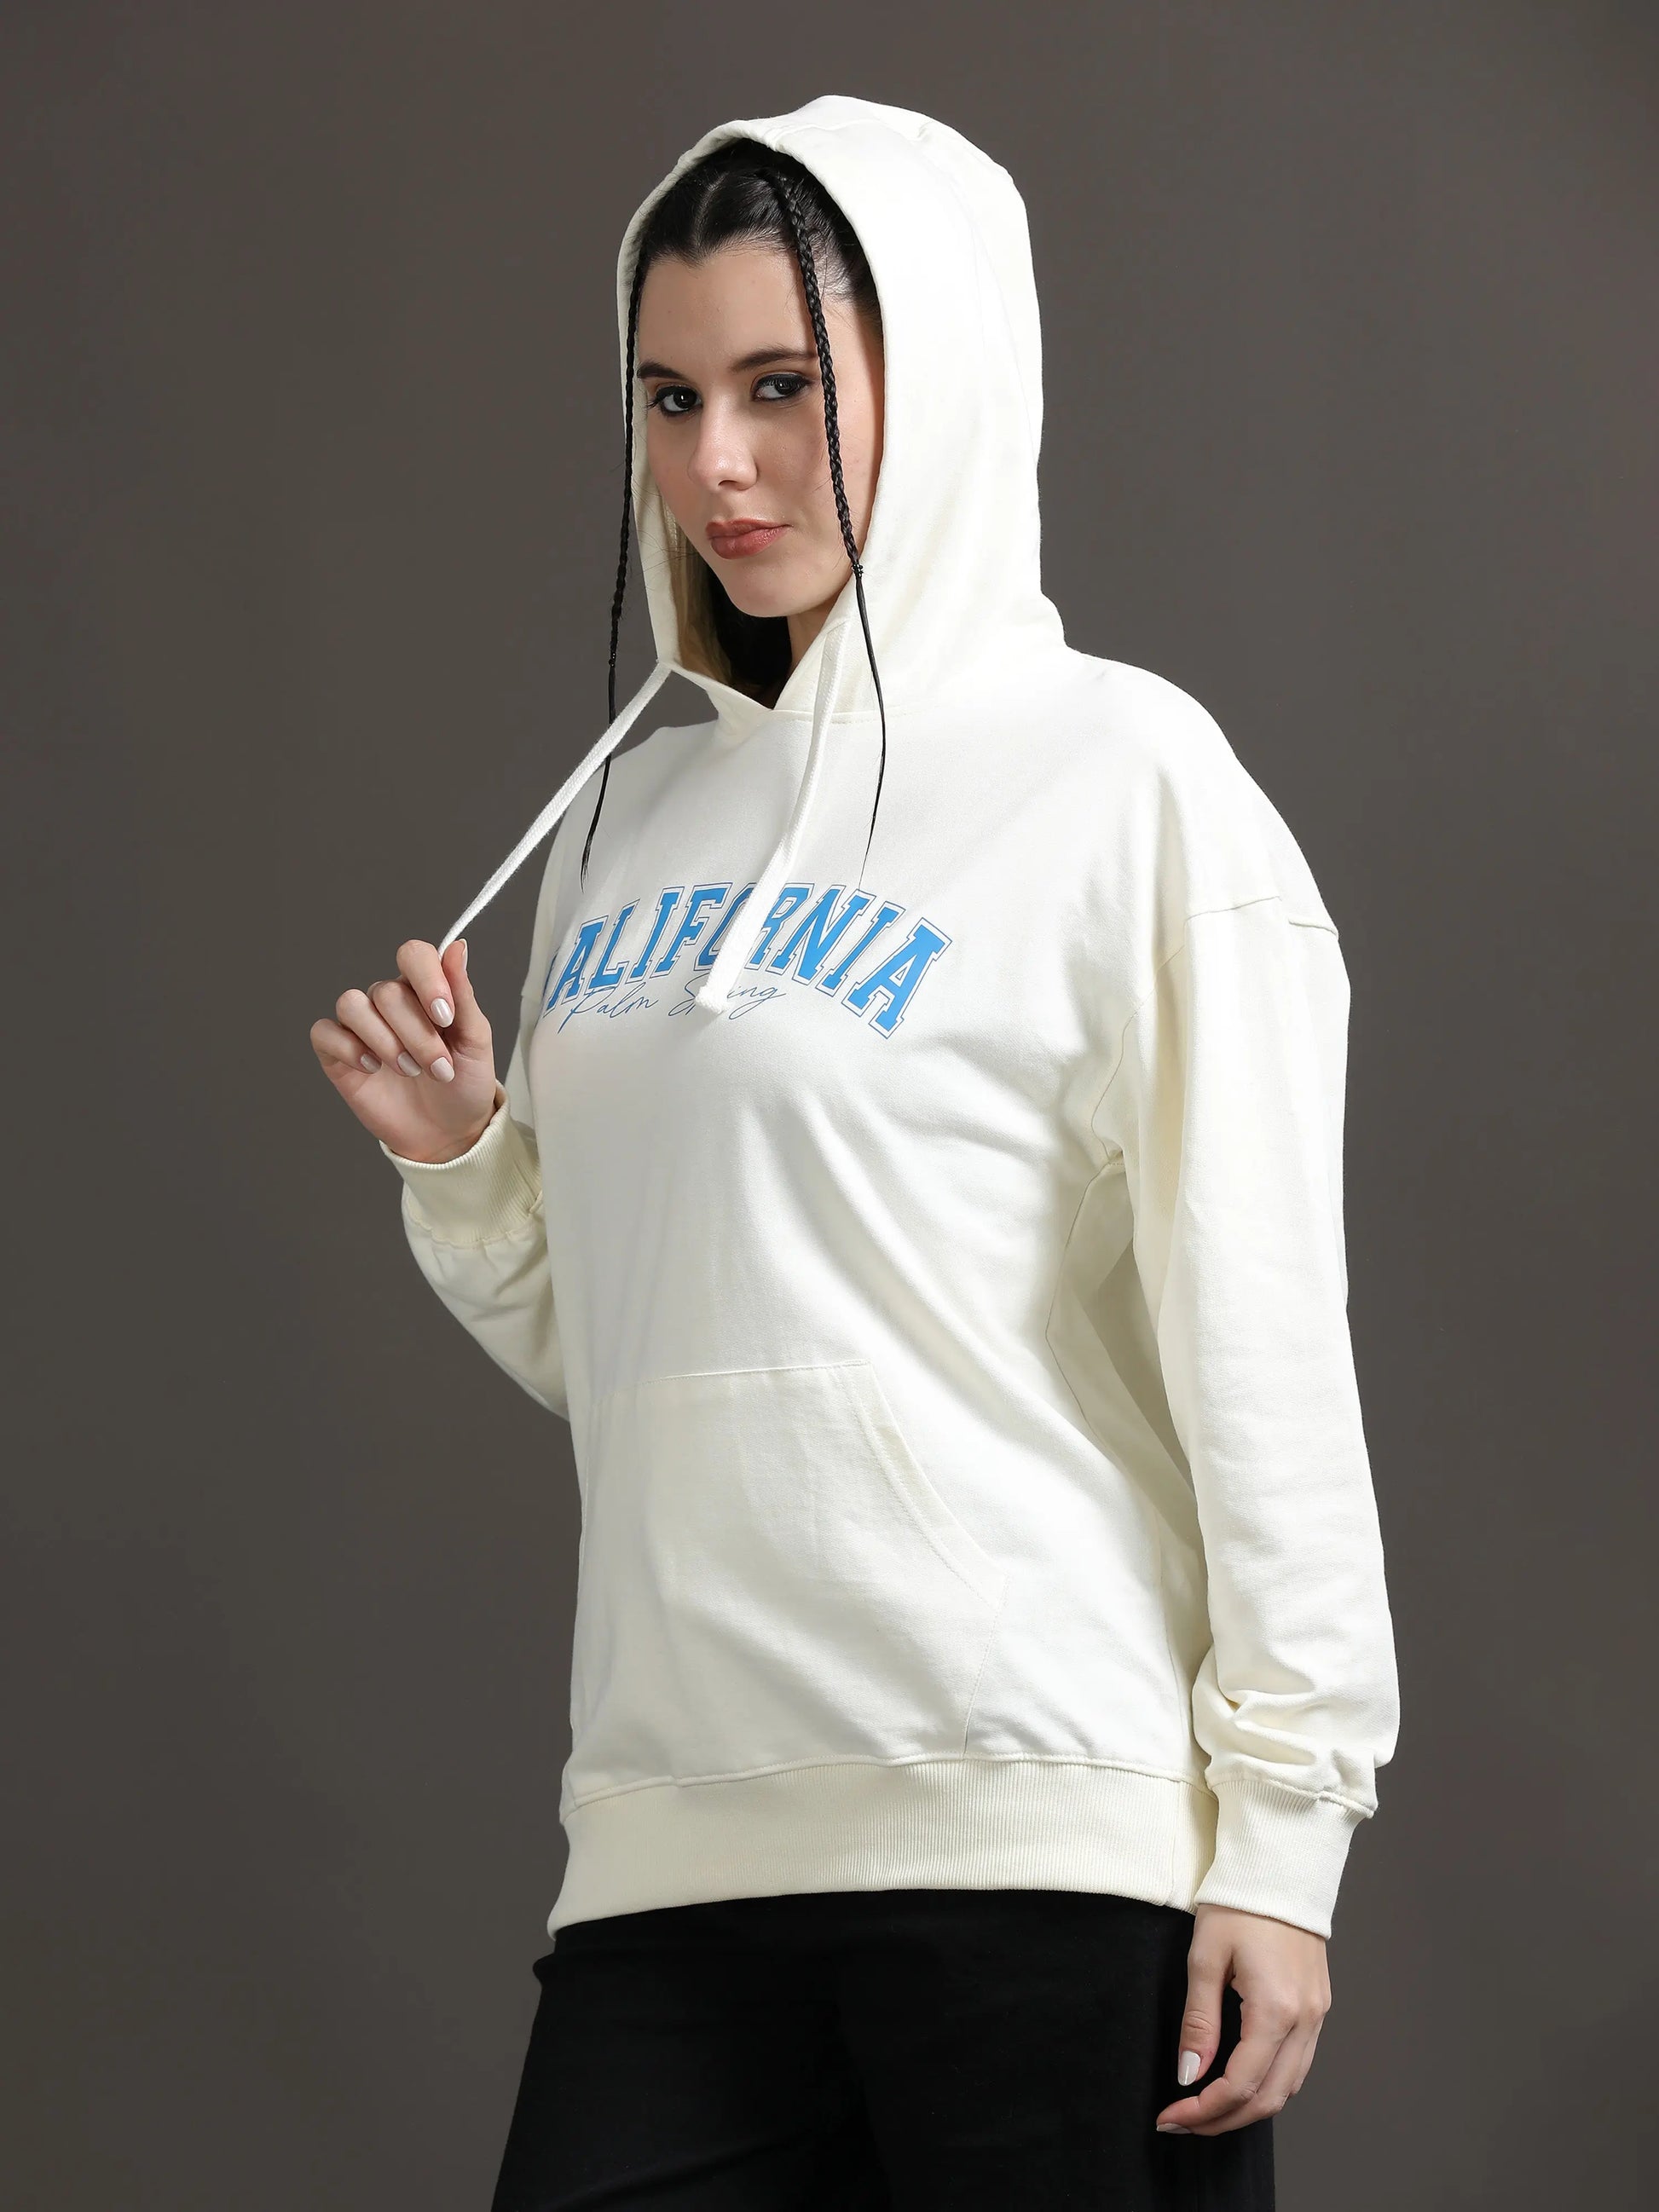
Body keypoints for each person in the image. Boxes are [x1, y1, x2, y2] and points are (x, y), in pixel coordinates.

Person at [309, 94, 1399, 2209]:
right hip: (671, 1838)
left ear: (949, 373)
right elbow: (655, 1352)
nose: (717, 463)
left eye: (783, 388)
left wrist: (1282, 1836)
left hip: (1042, 1838)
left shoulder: (1126, 780)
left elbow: (1259, 1327)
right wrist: (467, 1160)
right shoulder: (628, 823)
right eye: (670, 397)